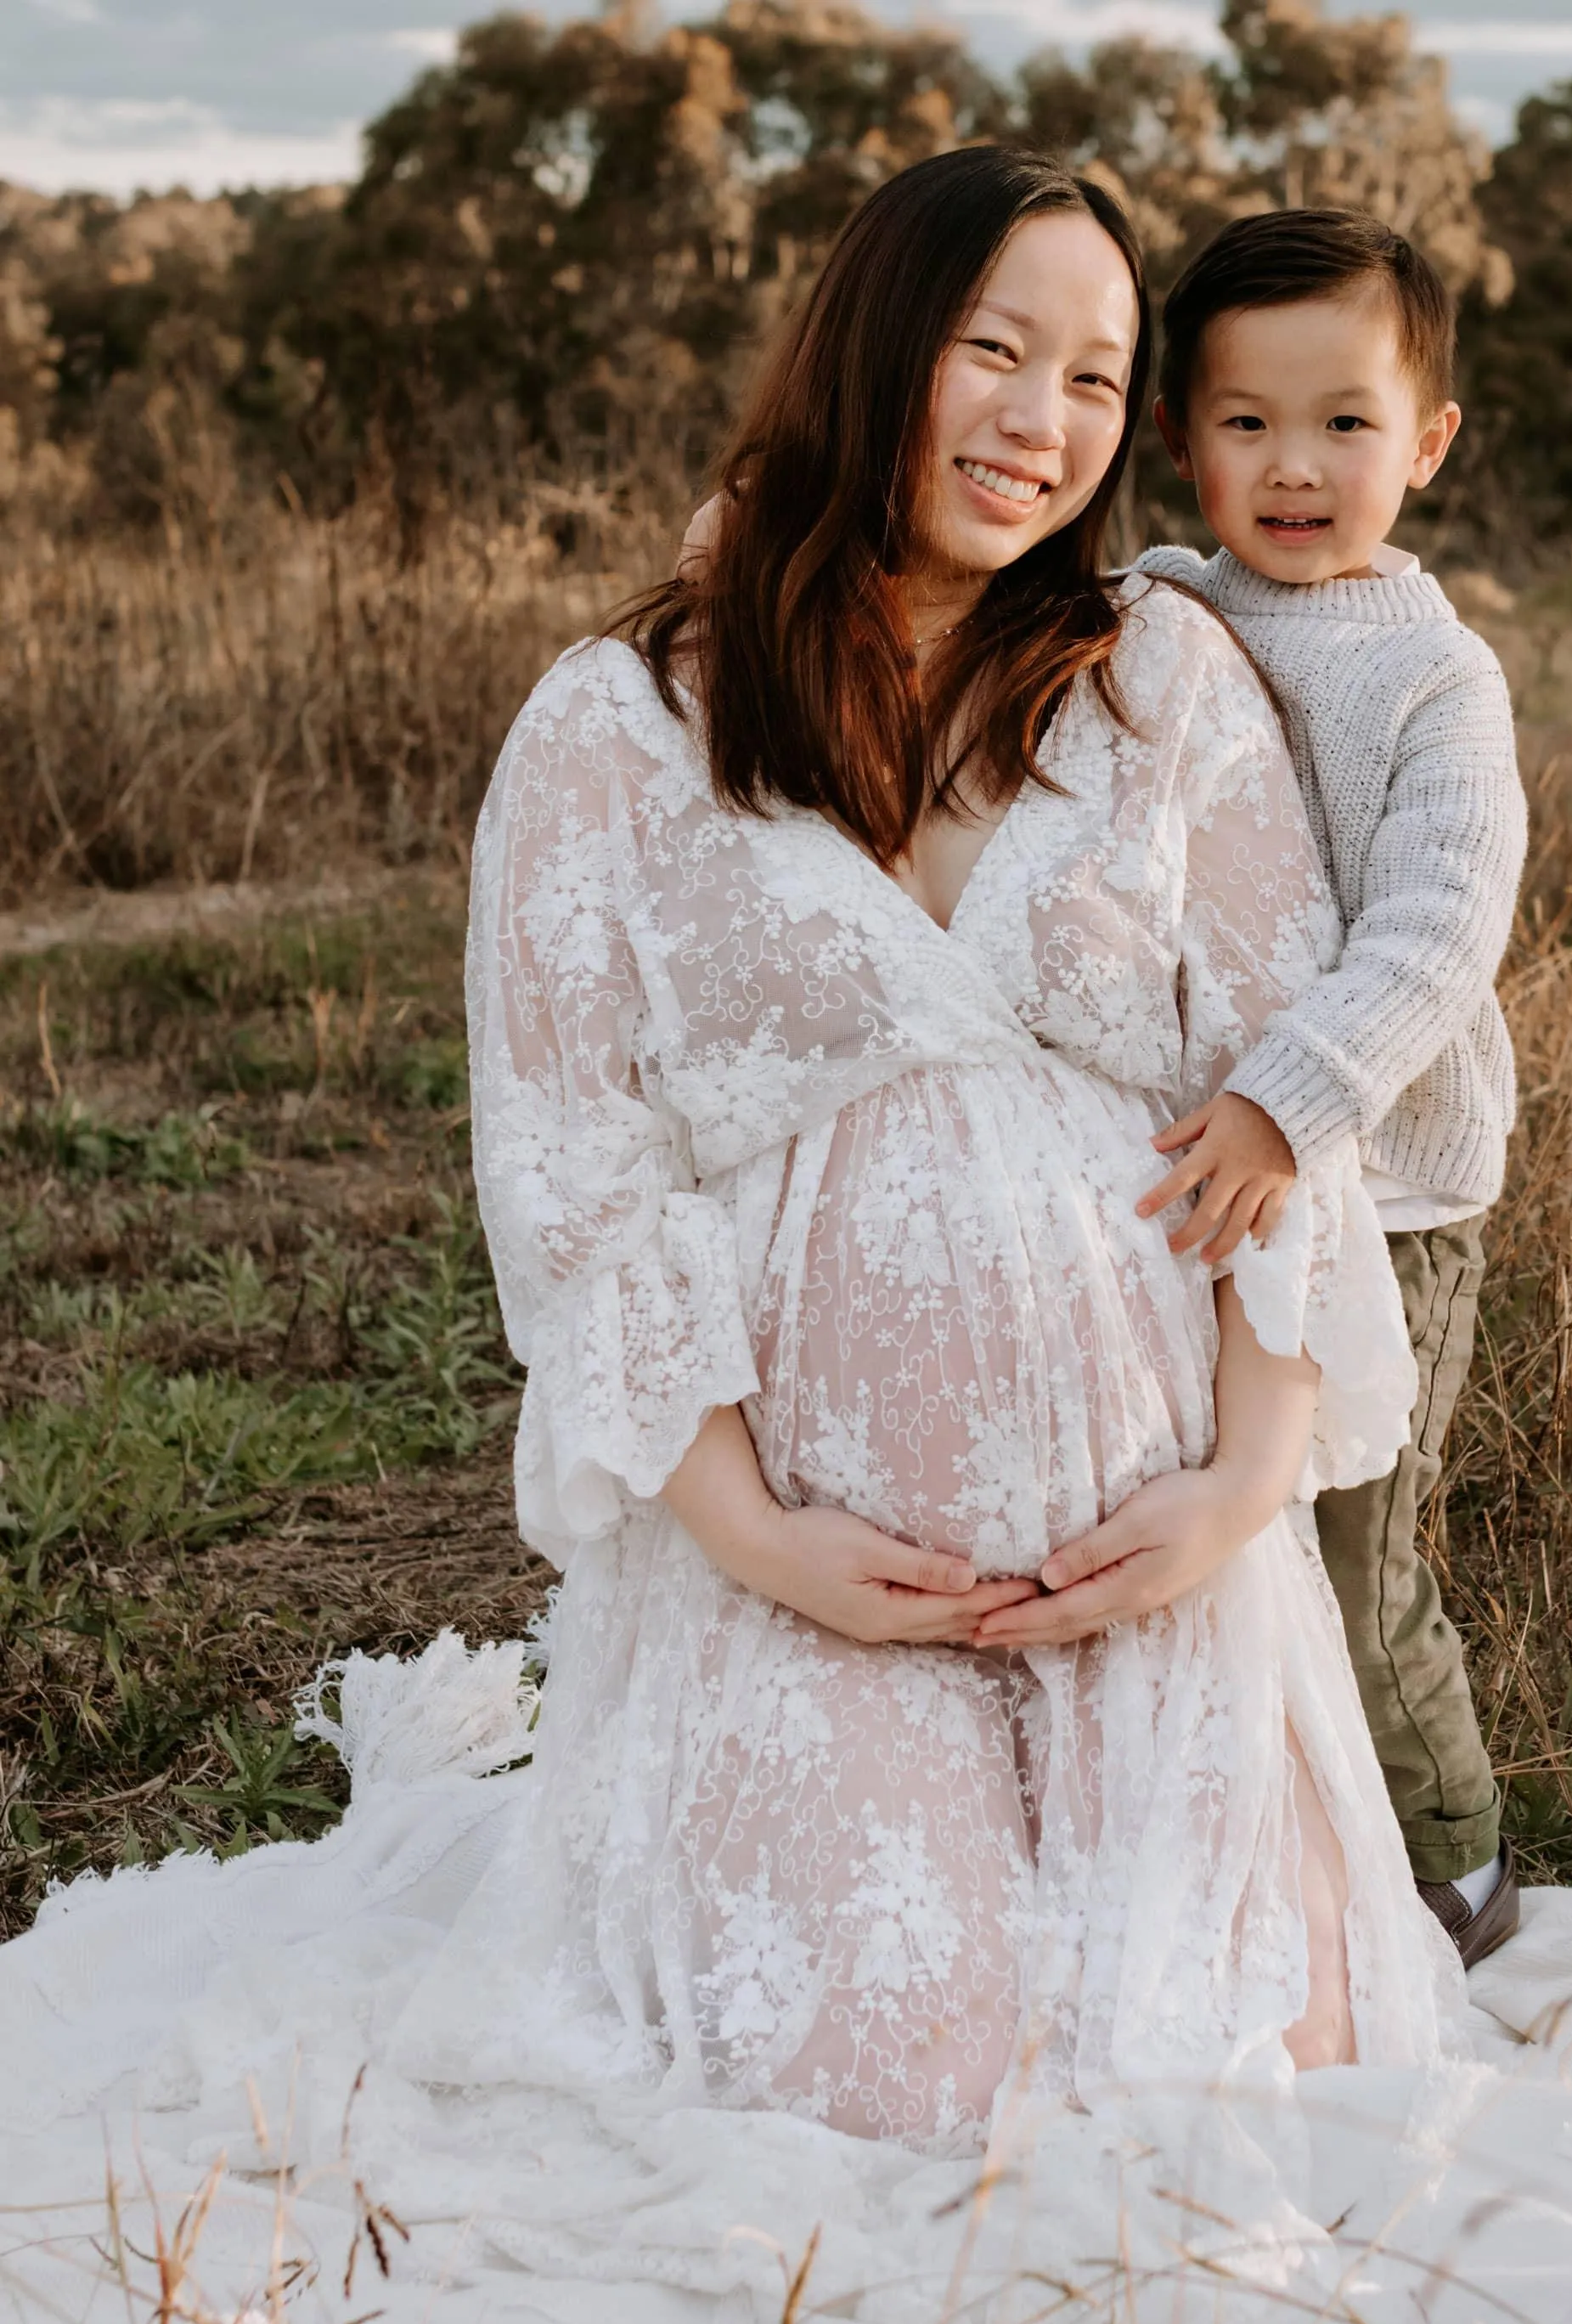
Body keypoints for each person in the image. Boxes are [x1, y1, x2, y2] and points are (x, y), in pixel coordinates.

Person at [462, 147, 1463, 2154]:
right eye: (991, 349)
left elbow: (1286, 1096)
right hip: (811, 1560)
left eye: (1097, 381)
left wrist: (1242, 1489)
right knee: (897, 2096)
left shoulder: (1165, 679)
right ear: (871, 342)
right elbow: (575, 1165)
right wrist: (761, 1536)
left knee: (1266, 2071)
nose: (1041, 422)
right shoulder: (617, 724)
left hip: (1156, 1538)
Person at [1128, 211, 1527, 1967]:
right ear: (1182, 435)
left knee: (1352, 1545)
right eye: (1246, 424)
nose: (1294, 469)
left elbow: (1440, 933)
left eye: (1345, 424)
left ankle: (1455, 1875)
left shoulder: (1433, 677)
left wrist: (1298, 1098)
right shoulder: (1155, 603)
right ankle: (1269, 1844)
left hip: (1388, 1189)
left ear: (1427, 442)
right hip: (1203, 1174)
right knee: (1219, 1530)